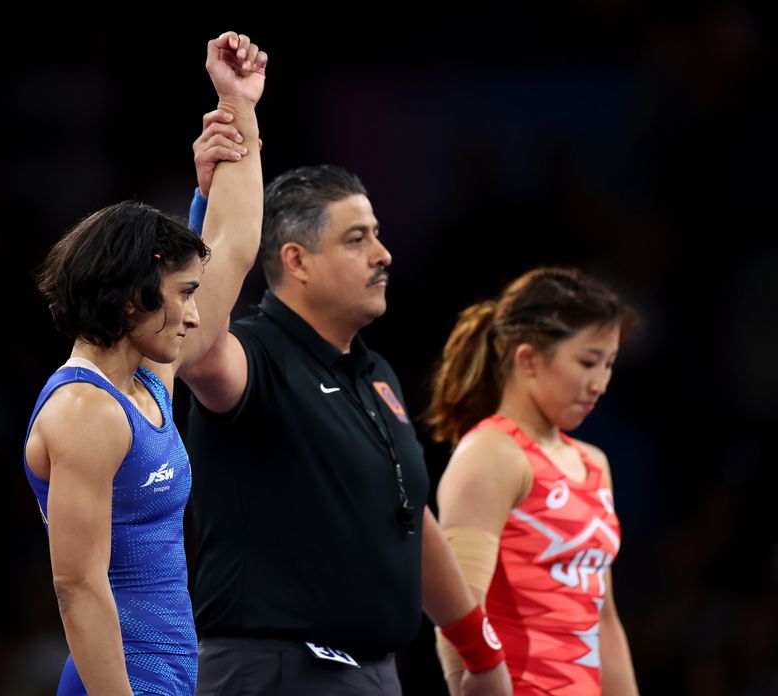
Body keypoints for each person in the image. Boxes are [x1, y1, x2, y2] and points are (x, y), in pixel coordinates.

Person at [179, 165, 512, 695]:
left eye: (377, 235)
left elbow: (402, 513)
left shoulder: (376, 372)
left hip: (375, 672)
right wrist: (210, 206)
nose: (383, 254)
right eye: (358, 239)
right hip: (277, 672)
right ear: (297, 261)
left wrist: (476, 644)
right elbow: (193, 350)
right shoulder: (251, 356)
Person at [22, 31, 267, 696]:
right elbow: (77, 586)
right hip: (122, 682)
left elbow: (236, 244)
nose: (196, 316)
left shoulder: (146, 379)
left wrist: (237, 104)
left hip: (172, 672)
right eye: (184, 296)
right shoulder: (86, 411)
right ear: (134, 298)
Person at [426, 267, 641, 695]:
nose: (600, 384)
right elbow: (457, 610)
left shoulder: (594, 464)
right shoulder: (491, 454)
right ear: (527, 359)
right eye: (587, 362)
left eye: (609, 364)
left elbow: (603, 617)